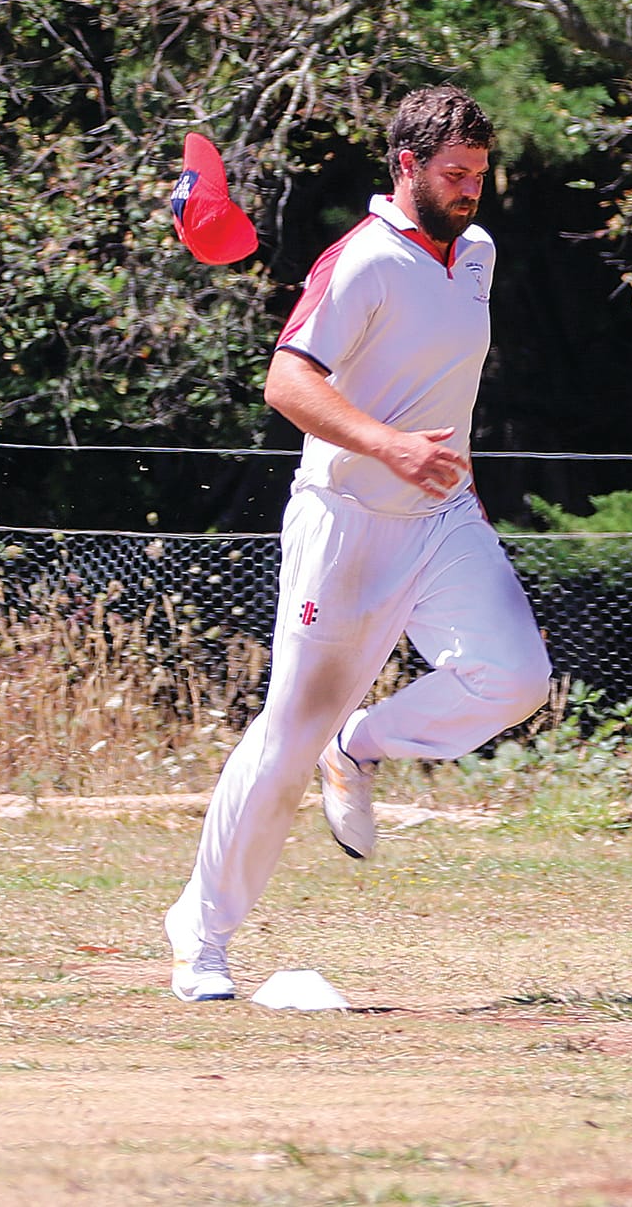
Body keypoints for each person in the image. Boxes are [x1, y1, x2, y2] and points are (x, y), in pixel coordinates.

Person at [164, 86, 553, 1002]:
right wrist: (387, 446)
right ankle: (203, 938)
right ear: (406, 166)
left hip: (444, 517)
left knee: (515, 678)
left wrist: (452, 477)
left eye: (480, 176)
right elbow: (286, 383)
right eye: (454, 175)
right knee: (285, 738)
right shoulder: (363, 261)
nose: (470, 192)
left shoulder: (479, 254)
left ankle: (364, 741)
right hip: (347, 524)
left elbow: (437, 387)